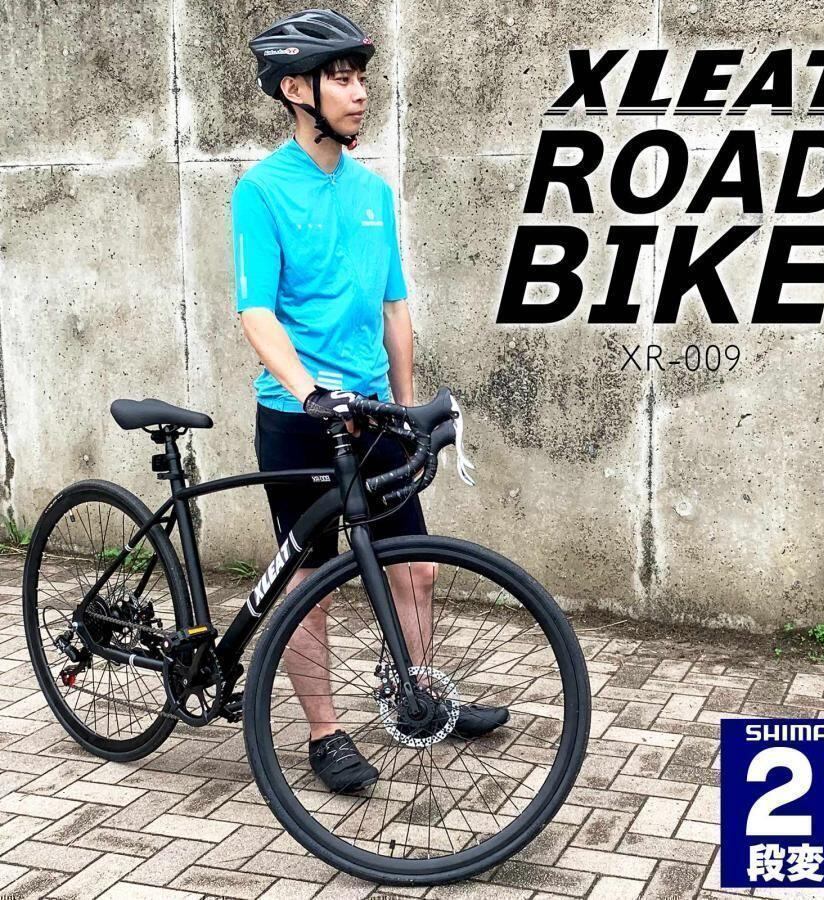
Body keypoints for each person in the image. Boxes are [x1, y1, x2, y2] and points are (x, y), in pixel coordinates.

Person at [234, 9, 508, 793]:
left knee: (414, 569)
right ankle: (325, 734)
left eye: (361, 79)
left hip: (374, 416)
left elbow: (394, 308)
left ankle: (418, 698)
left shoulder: (373, 193)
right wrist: (308, 391)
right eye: (342, 79)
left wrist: (409, 409)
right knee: (308, 585)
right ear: (297, 90)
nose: (359, 93)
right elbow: (256, 312)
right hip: (300, 420)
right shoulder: (261, 190)